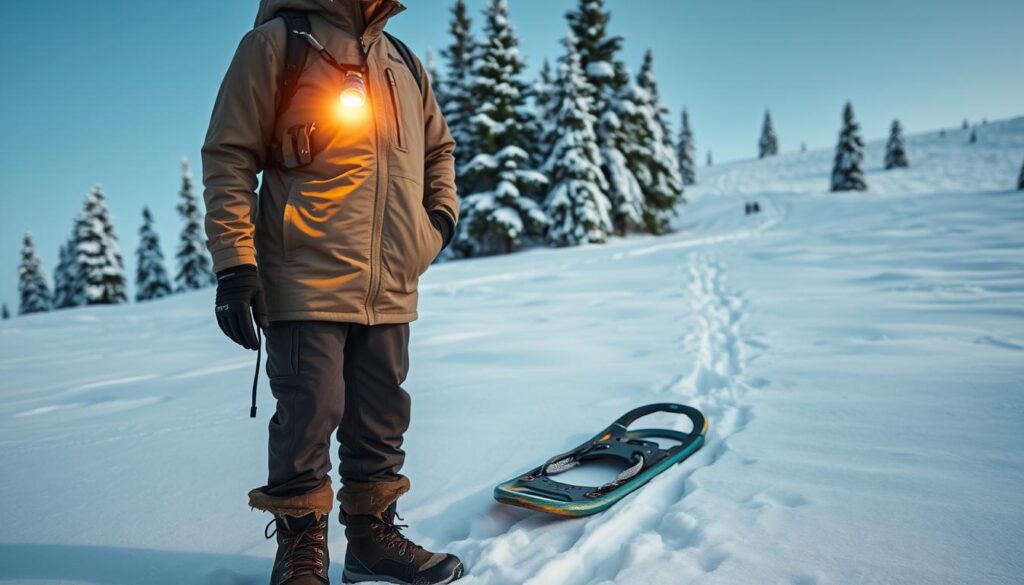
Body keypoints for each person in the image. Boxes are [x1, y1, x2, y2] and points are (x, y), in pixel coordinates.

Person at [201, 1, 463, 583]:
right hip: (303, 273)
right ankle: (300, 554)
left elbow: (439, 150)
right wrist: (234, 265)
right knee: (309, 413)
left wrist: (436, 224)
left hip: (391, 277)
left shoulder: (402, 60)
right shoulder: (277, 44)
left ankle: (372, 542)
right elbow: (229, 155)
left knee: (381, 417)